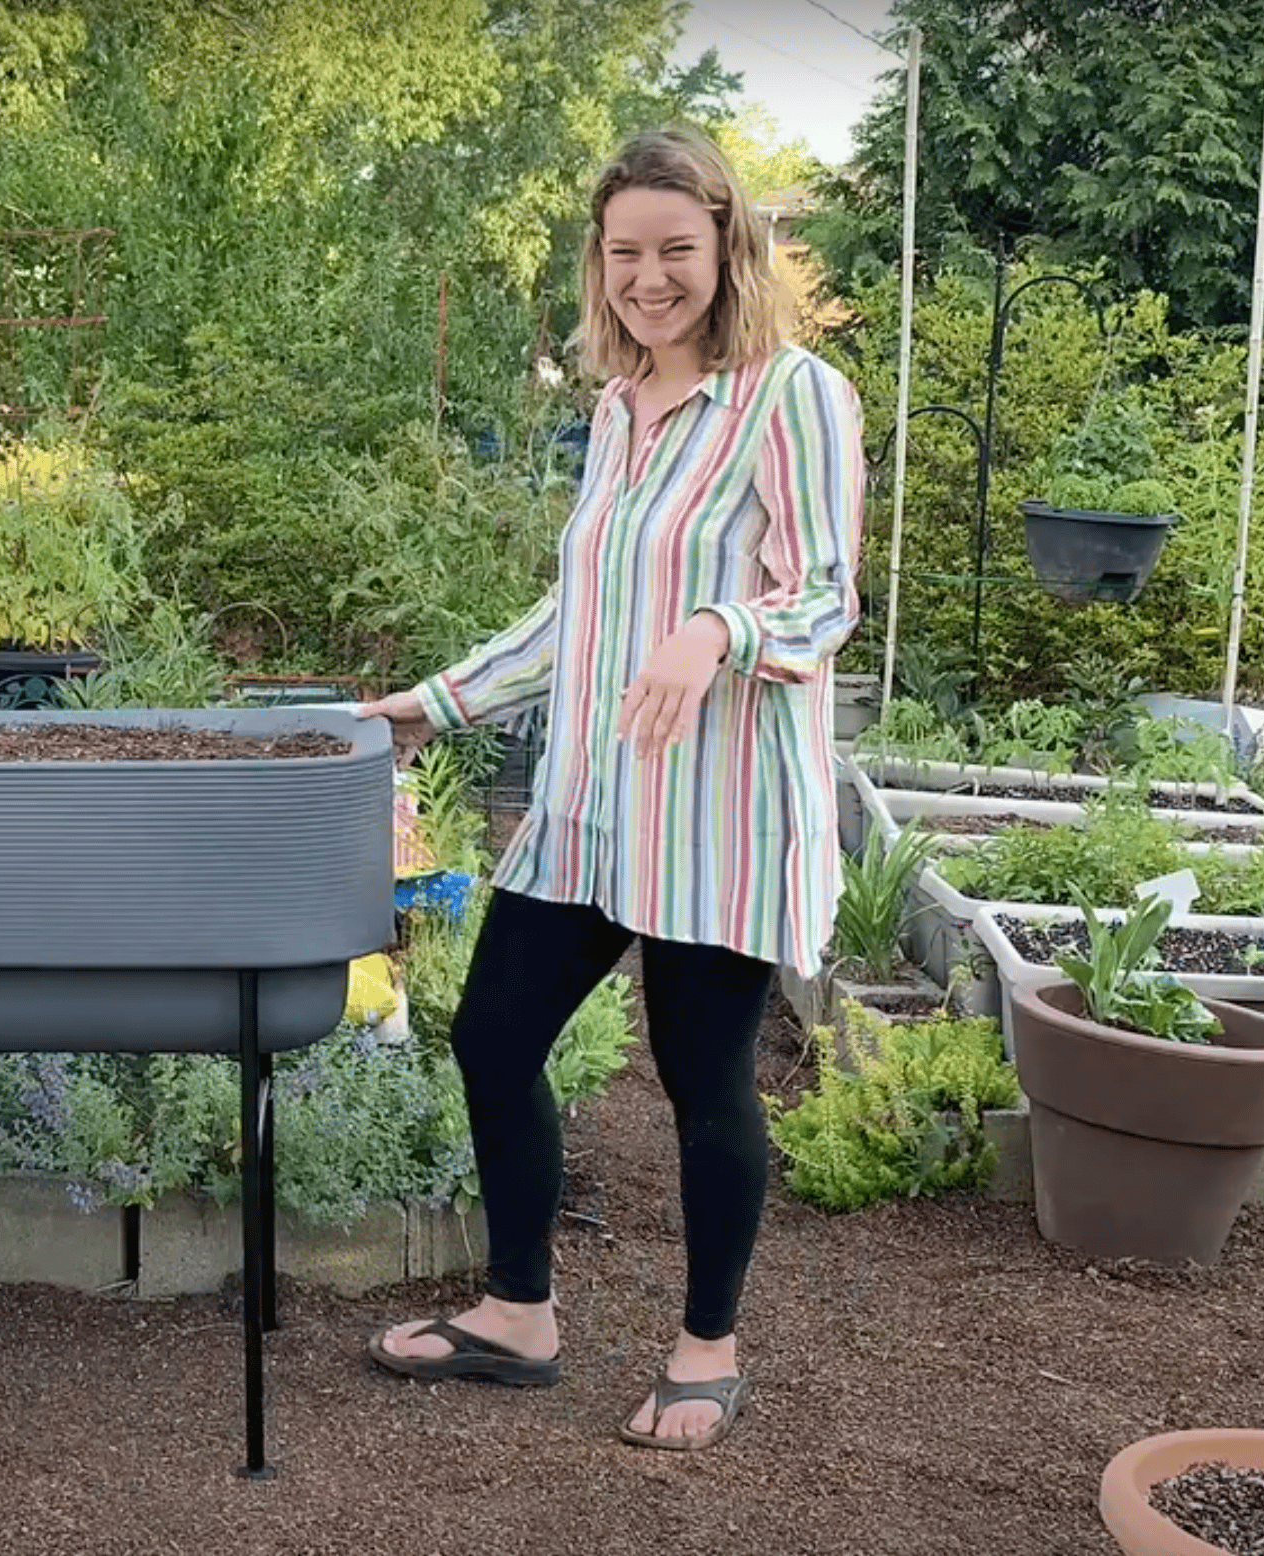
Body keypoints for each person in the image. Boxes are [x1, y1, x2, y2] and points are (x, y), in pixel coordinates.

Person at [358, 125, 864, 1453]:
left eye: (675, 251)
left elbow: (820, 593)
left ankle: (708, 1348)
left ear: (724, 246)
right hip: (590, 803)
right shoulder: (616, 406)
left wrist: (717, 631)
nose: (650, 277)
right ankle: (520, 1314)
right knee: (491, 1037)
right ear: (602, 262)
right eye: (626, 252)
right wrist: (430, 704)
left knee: (703, 1082)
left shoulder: (789, 393)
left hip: (719, 812)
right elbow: (574, 611)